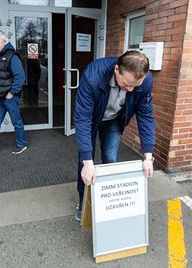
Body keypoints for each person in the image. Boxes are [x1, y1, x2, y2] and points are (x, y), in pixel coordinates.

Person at [74, 50, 156, 221]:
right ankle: (83, 202)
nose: (131, 89)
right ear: (116, 69)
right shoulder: (93, 75)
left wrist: (148, 155)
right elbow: (82, 118)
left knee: (110, 161)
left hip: (113, 120)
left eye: (136, 85)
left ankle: (107, 204)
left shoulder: (145, 81)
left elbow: (146, 116)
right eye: (126, 84)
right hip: (92, 118)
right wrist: (88, 162)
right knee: (85, 164)